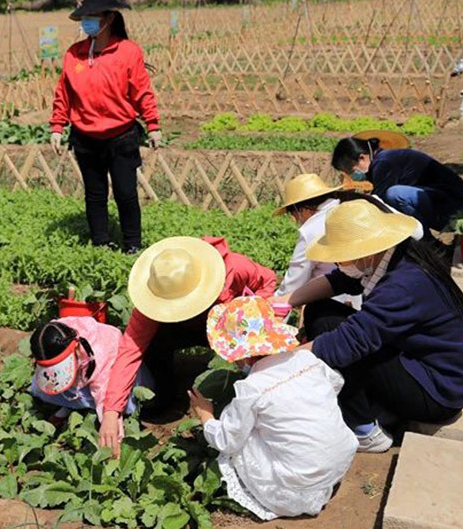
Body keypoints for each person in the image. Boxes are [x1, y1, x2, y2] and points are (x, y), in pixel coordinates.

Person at [277, 200, 463, 452]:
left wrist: (281, 359)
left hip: (438, 390)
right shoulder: (394, 254)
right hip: (425, 363)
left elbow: (347, 343)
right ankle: (381, 408)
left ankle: (365, 429)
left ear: (364, 252)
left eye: (340, 256)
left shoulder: (403, 284)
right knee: (320, 311)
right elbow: (336, 281)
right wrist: (282, 301)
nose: (338, 262)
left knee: (333, 330)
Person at [99, 235, 277, 456]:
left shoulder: (233, 266)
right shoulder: (154, 297)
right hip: (180, 329)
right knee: (153, 343)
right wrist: (111, 411)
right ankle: (166, 395)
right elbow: (130, 351)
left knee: (240, 365)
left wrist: (248, 314)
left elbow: (268, 280)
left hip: (224, 323)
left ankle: (234, 402)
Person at [189, 296, 357, 521]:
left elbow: (227, 441)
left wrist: (206, 414)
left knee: (242, 438)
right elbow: (336, 383)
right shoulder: (307, 358)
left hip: (298, 485)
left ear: (244, 356)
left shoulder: (252, 388)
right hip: (339, 461)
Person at [49, 0, 161, 254]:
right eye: (85, 17)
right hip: (85, 137)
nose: (87, 22)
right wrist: (57, 126)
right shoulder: (73, 54)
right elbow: (63, 92)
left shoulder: (128, 52)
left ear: (109, 18)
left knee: (126, 193)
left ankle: (132, 246)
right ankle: (100, 244)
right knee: (95, 195)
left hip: (120, 136)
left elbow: (142, 91)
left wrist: (153, 124)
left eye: (93, 16)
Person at [30, 317, 153, 433]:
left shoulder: (101, 352)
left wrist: (110, 427)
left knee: (124, 406)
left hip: (119, 378)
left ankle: (76, 406)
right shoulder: (57, 333)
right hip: (86, 372)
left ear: (77, 348)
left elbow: (107, 397)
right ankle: (70, 407)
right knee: (41, 387)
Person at [331, 136, 463, 233]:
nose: (352, 174)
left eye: (350, 168)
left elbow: (379, 202)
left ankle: (427, 242)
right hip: (441, 201)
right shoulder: (383, 159)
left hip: (452, 207)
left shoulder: (384, 162)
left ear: (362, 158)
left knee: (394, 194)